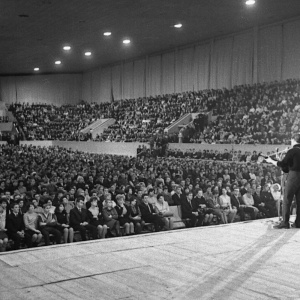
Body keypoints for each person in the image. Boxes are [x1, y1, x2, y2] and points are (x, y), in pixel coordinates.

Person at [266, 133, 300, 228]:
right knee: (299, 200)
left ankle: (285, 223)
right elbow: (286, 167)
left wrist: (271, 161)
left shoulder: (292, 151)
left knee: (287, 199)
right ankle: (298, 223)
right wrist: (279, 158)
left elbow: (283, 164)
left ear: (293, 140)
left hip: (293, 176)